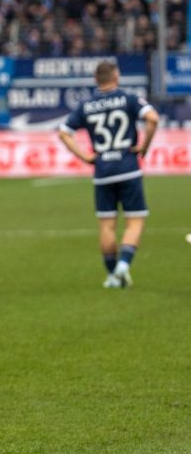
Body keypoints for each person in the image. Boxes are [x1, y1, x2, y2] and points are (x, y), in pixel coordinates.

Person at [58, 60, 159, 288]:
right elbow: (152, 119)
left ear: (96, 80)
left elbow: (64, 132)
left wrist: (85, 156)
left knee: (106, 225)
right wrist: (144, 147)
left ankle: (112, 275)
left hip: (102, 170)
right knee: (135, 221)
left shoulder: (86, 105)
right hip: (128, 168)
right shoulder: (129, 99)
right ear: (116, 77)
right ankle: (123, 264)